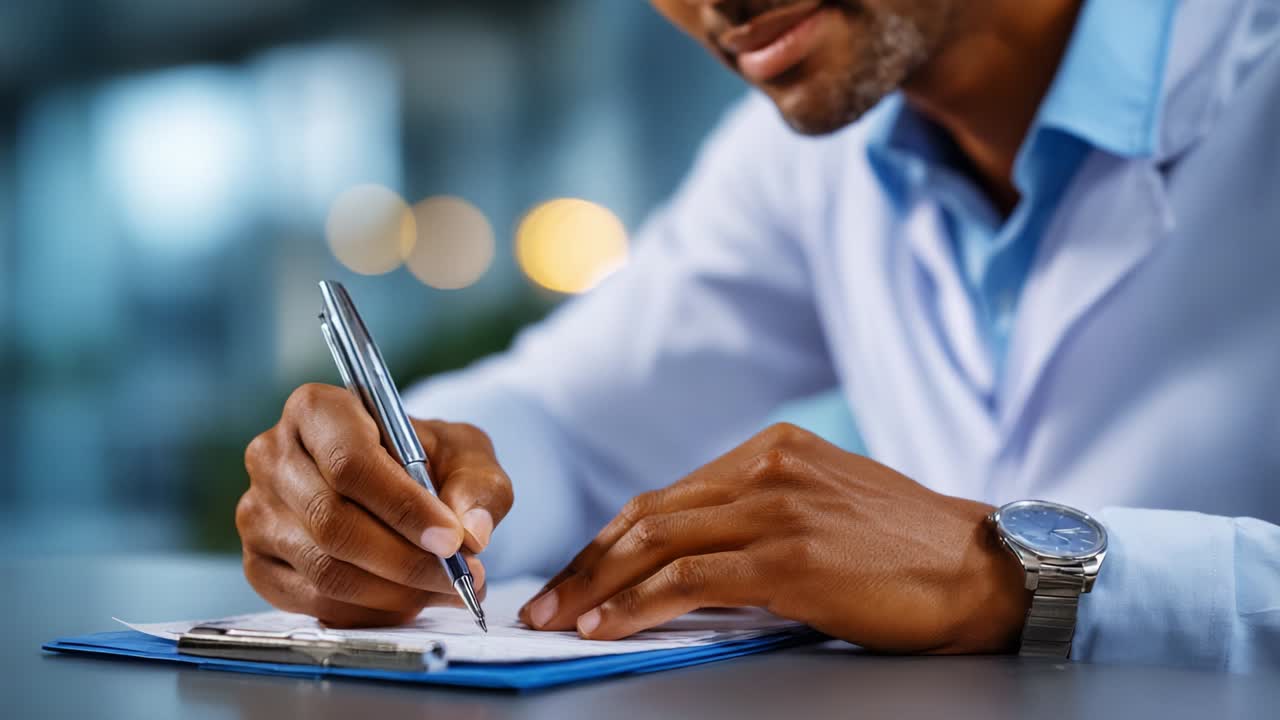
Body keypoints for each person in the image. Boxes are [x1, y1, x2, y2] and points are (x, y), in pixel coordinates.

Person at [237, 0, 1280, 670]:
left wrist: (1013, 575)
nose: (713, 8)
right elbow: (571, 418)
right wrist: (410, 484)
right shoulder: (809, 157)